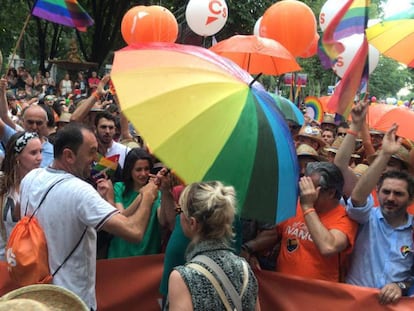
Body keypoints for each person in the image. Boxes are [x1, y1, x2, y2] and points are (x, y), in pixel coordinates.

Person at [19, 123, 161, 310]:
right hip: (72, 299)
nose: (96, 160)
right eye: (92, 152)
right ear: (69, 155)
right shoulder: (80, 191)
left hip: (37, 294)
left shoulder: (31, 177)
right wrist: (148, 197)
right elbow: (134, 232)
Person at [243, 162, 358, 283]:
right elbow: (274, 233)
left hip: (318, 295)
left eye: (310, 188)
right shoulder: (297, 204)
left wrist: (308, 207)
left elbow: (328, 247)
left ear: (331, 193)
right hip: (282, 290)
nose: (304, 192)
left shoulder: (344, 218)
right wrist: (249, 248)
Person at [346, 123, 414, 305]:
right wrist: (384, 154)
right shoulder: (367, 217)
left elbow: (411, 277)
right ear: (377, 191)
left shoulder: (413, 231)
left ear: (410, 199)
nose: (390, 198)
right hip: (355, 304)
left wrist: (399, 286)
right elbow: (357, 197)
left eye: (398, 194)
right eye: (386, 192)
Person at [167, 181, 260, 311]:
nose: (179, 215)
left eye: (180, 210)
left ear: (193, 223)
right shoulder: (244, 269)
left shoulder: (182, 277)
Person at [107, 148, 175, 258]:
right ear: (130, 170)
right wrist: (143, 195)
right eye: (138, 170)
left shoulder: (155, 191)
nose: (143, 174)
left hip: (147, 256)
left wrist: (165, 191)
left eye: (146, 169)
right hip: (119, 255)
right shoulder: (119, 187)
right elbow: (121, 217)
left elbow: (163, 221)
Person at [0, 132, 42, 260]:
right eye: (33, 153)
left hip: (33, 262)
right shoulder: (2, 184)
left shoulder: (43, 184)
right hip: (4, 259)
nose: (40, 158)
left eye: (41, 151)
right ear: (17, 157)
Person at [0, 78, 53, 167]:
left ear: (46, 124)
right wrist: (2, 92)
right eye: (30, 122)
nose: (34, 127)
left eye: (39, 123)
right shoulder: (16, 140)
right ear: (23, 122)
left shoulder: (53, 152)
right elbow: (4, 117)